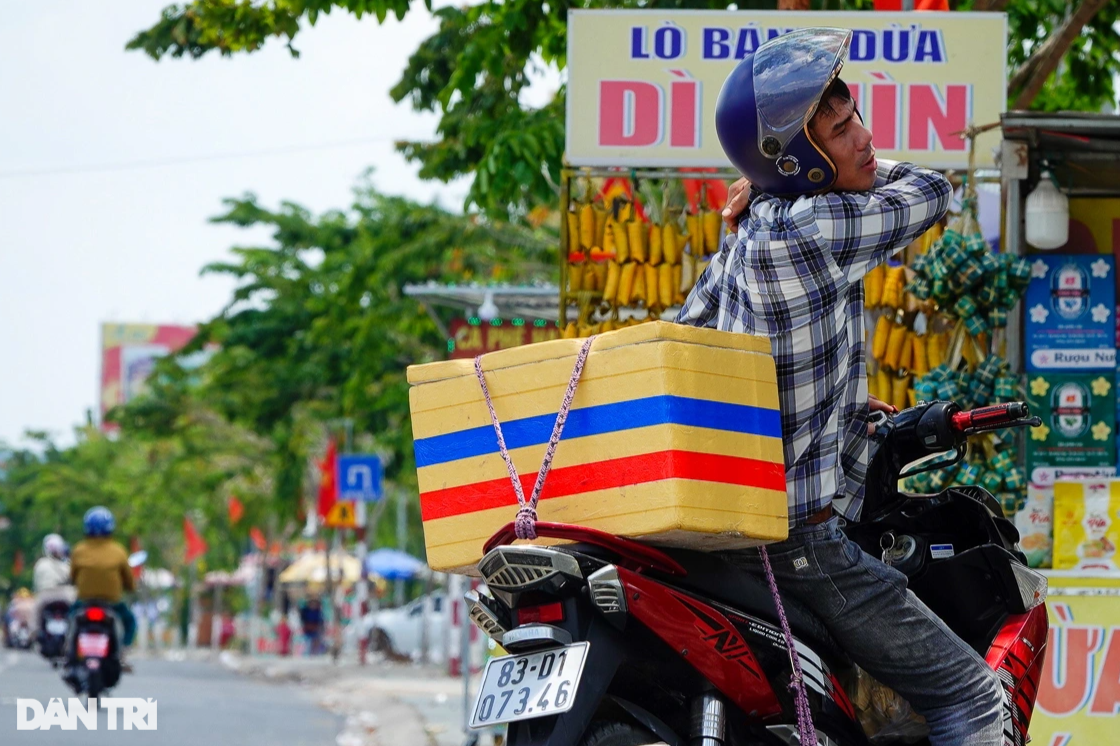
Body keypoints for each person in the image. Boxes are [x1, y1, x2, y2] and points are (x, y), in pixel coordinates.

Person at [676, 28, 1004, 746]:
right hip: (797, 540)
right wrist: (865, 166)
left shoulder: (747, 233)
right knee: (972, 696)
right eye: (842, 128)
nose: (863, 138)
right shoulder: (818, 228)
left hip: (722, 532)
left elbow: (701, 331)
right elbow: (931, 189)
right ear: (800, 161)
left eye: (856, 119)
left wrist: (848, 412)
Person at [70, 507, 138, 669]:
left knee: (70, 617)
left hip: (85, 602)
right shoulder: (118, 551)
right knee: (130, 622)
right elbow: (129, 580)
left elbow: (72, 577)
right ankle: (122, 653)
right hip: (112, 603)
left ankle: (68, 649)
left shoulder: (79, 550)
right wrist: (130, 587)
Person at [33, 533, 77, 639]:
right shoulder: (66, 565)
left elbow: (36, 585)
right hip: (66, 595)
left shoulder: (40, 564)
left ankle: (34, 635)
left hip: (45, 596)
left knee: (35, 614)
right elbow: (72, 579)